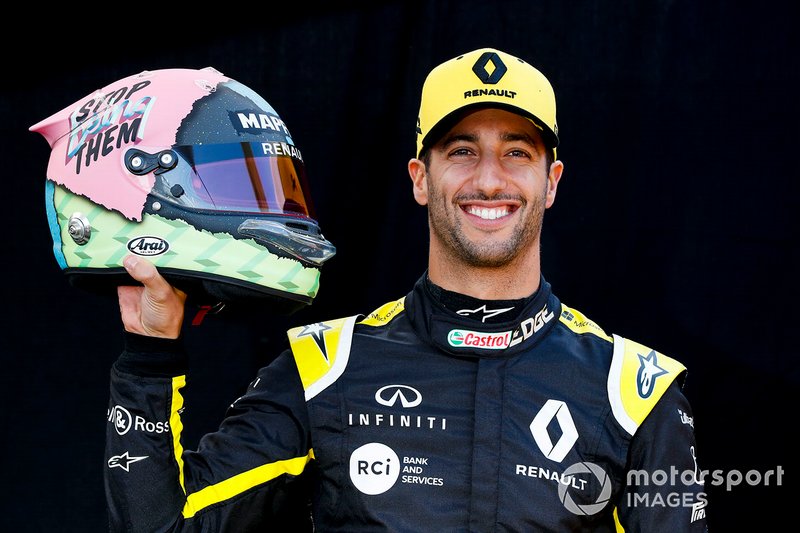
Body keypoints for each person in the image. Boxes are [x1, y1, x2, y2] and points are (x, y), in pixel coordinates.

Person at [106, 48, 708, 531]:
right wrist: (149, 353)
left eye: (517, 153)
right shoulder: (324, 367)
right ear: (421, 178)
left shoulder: (637, 391)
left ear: (550, 181)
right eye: (462, 152)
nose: (489, 179)